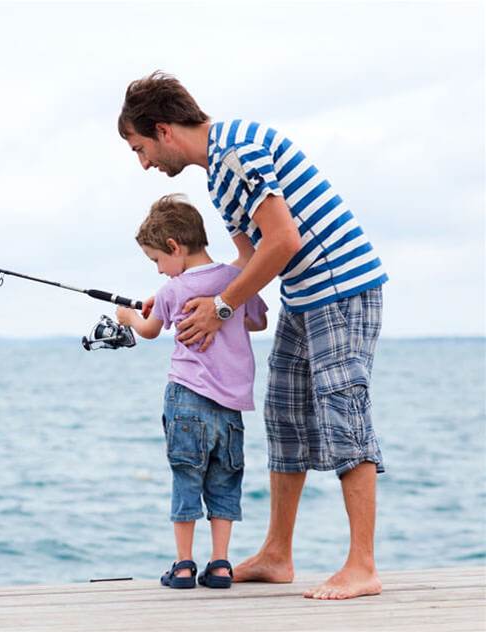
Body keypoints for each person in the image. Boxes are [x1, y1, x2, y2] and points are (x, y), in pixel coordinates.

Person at [116, 71, 389, 600]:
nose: (144, 163)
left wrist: (220, 307)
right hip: (304, 297)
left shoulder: (238, 150)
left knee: (343, 413)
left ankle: (362, 566)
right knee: (284, 415)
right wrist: (181, 292)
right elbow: (246, 260)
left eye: (140, 148)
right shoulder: (219, 175)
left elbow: (284, 240)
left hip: (341, 288)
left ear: (164, 130)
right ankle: (277, 555)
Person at [116, 194, 267, 590]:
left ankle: (183, 566)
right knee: (224, 481)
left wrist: (127, 315)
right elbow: (259, 321)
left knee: (186, 478)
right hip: (230, 407)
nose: (161, 271)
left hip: (185, 398)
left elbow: (149, 331)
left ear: (174, 247)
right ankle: (220, 565)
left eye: (156, 261)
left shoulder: (173, 289)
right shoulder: (235, 281)